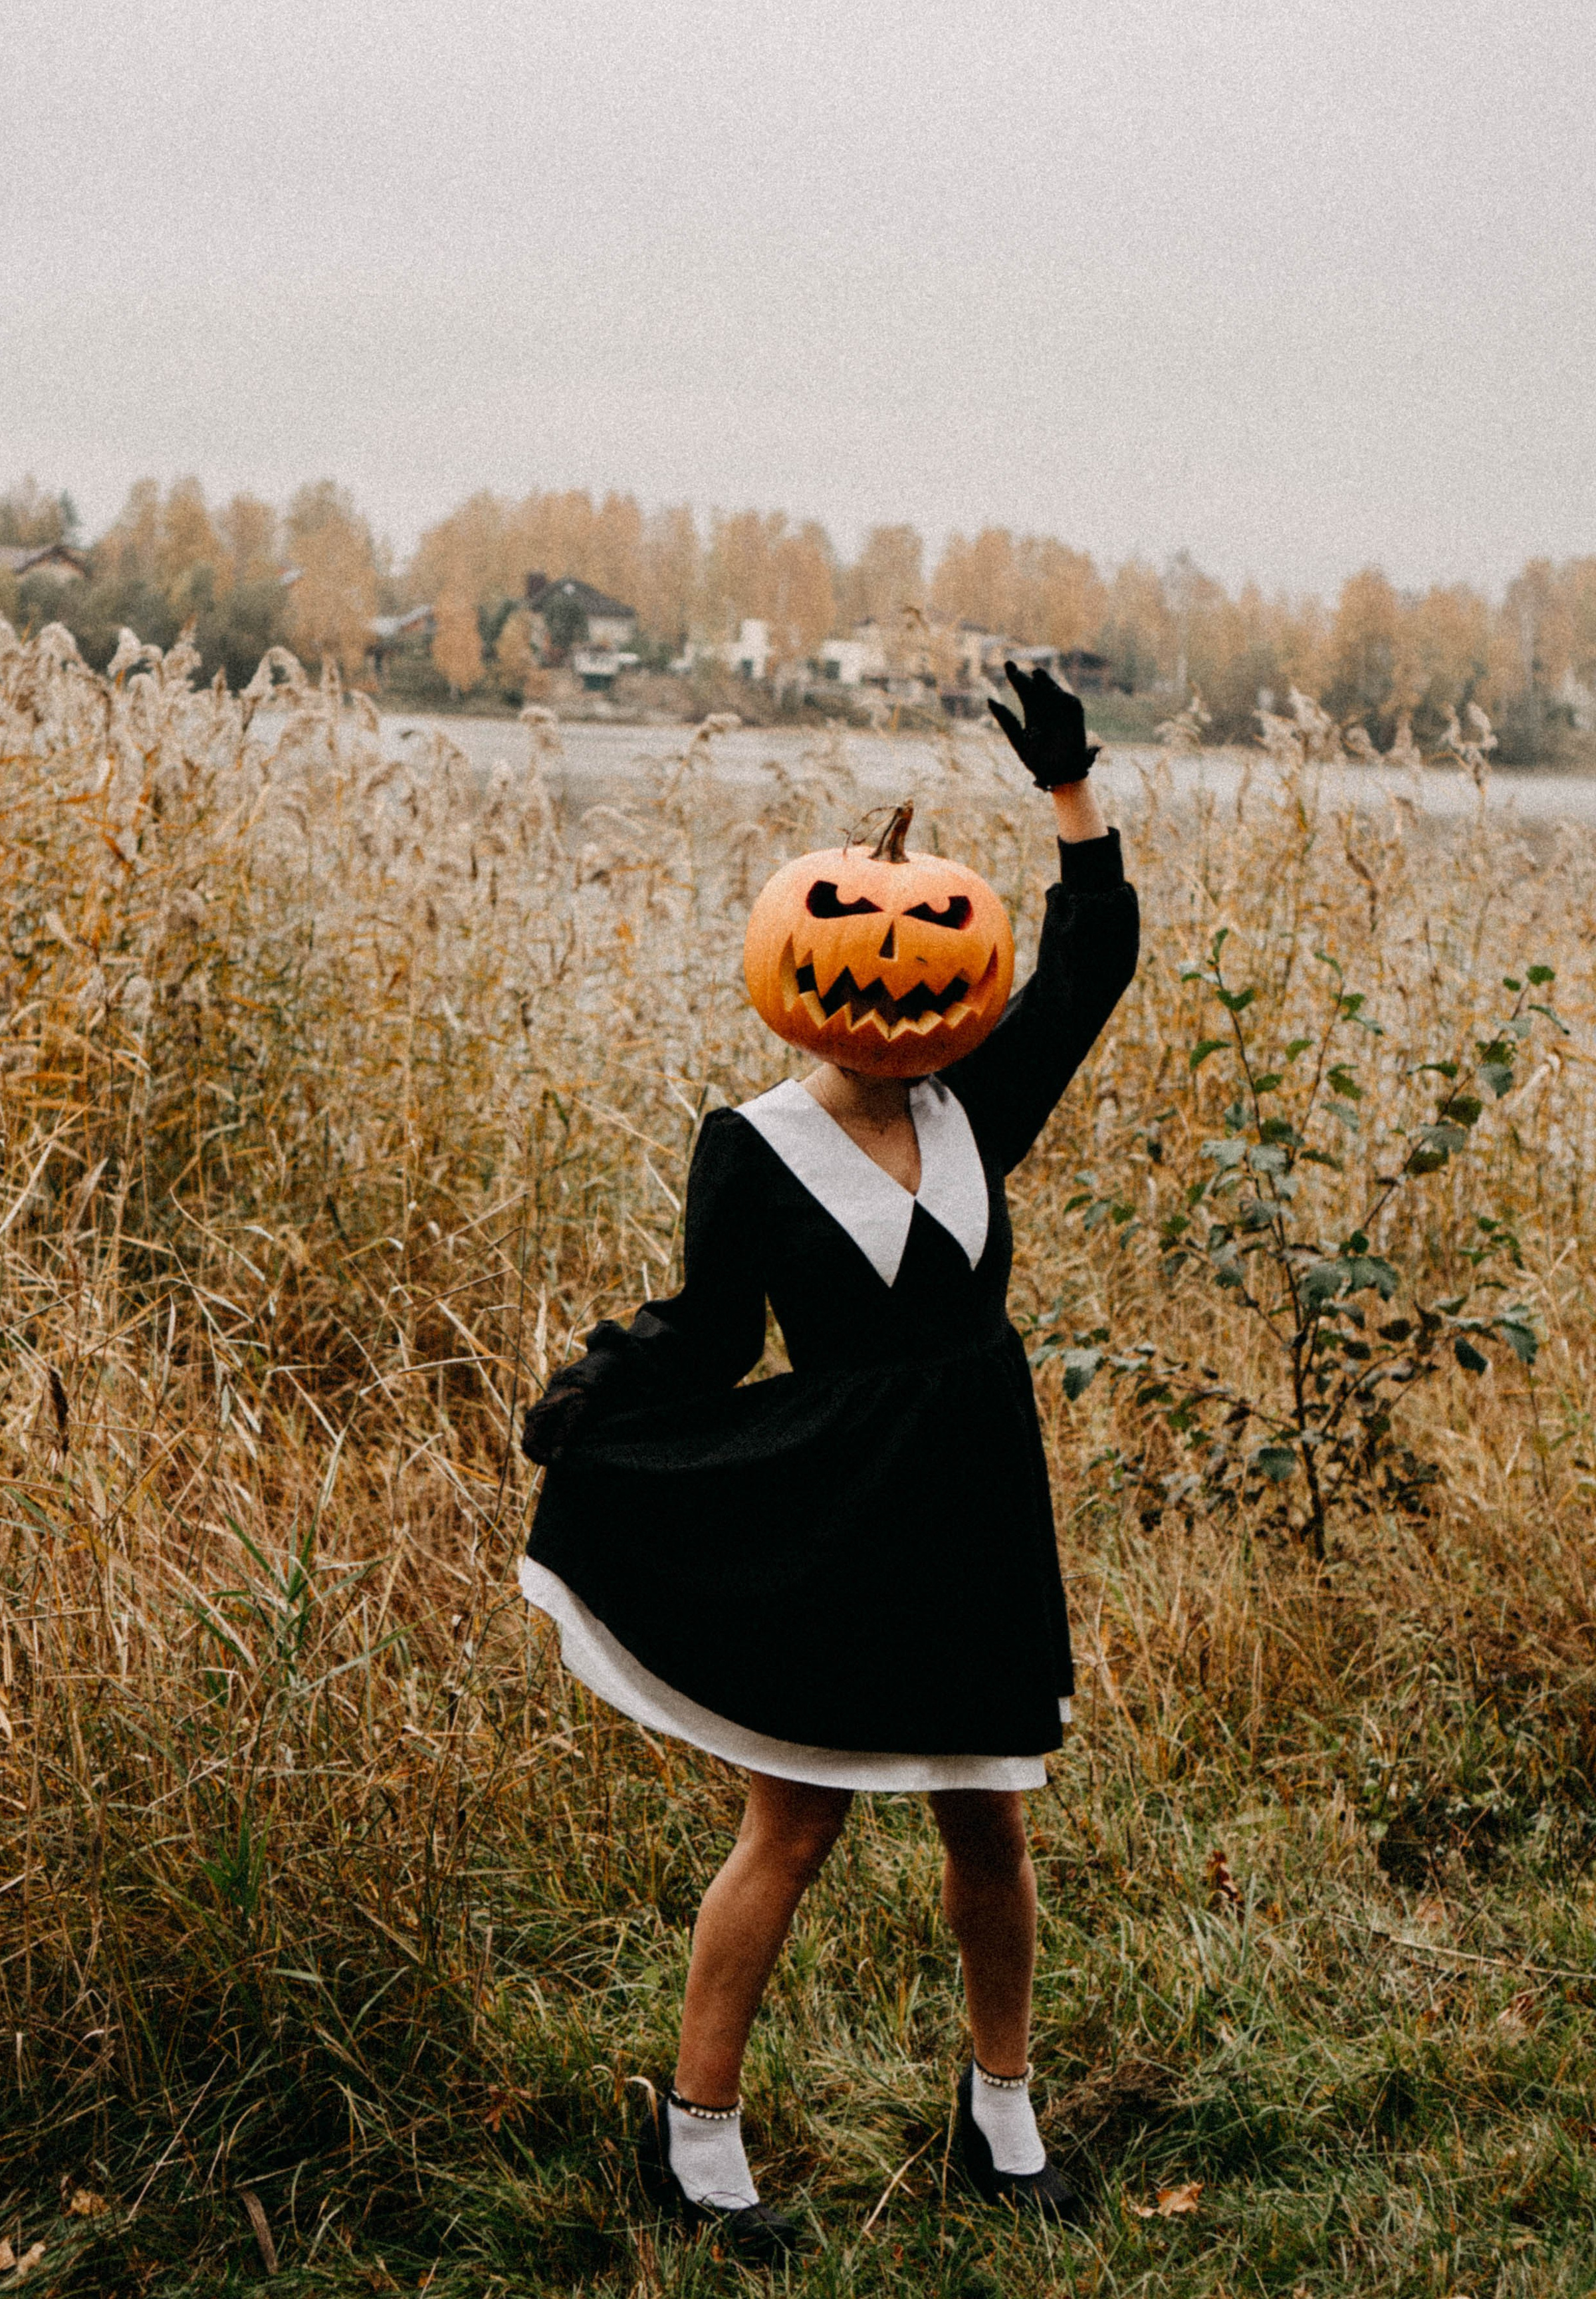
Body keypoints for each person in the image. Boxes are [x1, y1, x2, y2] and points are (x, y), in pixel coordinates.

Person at [519, 666, 1139, 2259]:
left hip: (978, 1504)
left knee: (989, 1829)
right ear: (796, 970)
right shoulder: (752, 1144)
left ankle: (1001, 2123)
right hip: (839, 1513)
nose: (901, 996)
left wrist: (1072, 796)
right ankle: (697, 2151)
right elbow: (715, 1332)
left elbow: (1091, 963)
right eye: (864, 967)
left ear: (964, 979)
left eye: (937, 966)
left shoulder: (972, 1104)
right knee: (787, 1829)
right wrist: (603, 1395)